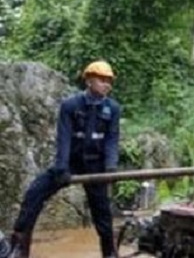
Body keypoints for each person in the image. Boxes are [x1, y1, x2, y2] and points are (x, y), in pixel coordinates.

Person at [9, 60, 121, 258]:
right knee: (35, 193)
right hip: (70, 161)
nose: (107, 85)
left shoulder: (112, 109)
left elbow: (112, 139)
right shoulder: (70, 105)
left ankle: (109, 252)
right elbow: (64, 137)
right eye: (102, 80)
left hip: (95, 165)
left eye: (109, 81)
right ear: (89, 81)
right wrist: (61, 168)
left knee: (102, 210)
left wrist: (110, 167)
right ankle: (19, 245)